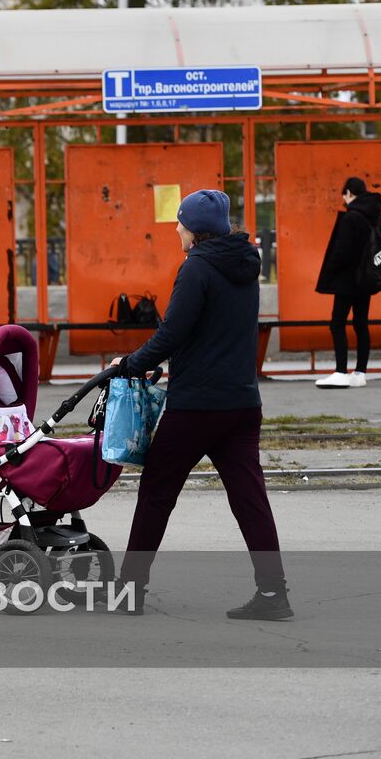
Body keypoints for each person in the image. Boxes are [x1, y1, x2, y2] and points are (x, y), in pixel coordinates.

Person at [109, 190, 291, 621]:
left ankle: (129, 591)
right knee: (250, 498)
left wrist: (129, 364)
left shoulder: (196, 268)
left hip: (197, 406)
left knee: (156, 492)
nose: (176, 229)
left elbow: (173, 333)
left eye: (179, 223)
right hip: (242, 404)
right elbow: (209, 333)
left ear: (194, 230)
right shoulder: (247, 266)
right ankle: (273, 594)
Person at [314, 177, 381, 389]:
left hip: (347, 281)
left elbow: (342, 252)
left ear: (348, 193)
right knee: (361, 323)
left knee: (337, 323)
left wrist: (329, 272)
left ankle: (340, 371)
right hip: (366, 281)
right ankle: (360, 373)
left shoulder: (351, 218)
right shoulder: (380, 219)